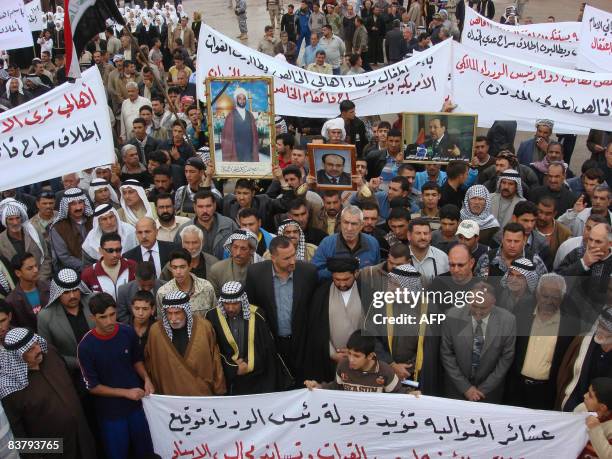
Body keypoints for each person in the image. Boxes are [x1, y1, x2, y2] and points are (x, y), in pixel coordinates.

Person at [0, 328, 96, 459]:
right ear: (16, 357)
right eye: (30, 349)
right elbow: (18, 433)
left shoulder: (50, 354)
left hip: (83, 438)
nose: (38, 350)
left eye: (36, 344)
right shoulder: (10, 388)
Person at [245, 236, 318, 383]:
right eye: (286, 258)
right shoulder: (255, 273)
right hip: (271, 344)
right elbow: (252, 309)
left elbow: (314, 309)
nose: (292, 261)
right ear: (273, 258)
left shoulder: (308, 272)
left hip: (301, 344)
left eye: (293, 255)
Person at [505, 274, 576, 410]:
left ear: (562, 299)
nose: (549, 301)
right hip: (515, 389)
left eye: (555, 297)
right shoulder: (521, 315)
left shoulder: (570, 325)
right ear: (537, 294)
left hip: (546, 394)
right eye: (545, 296)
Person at [207, 281, 290, 394]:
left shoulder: (257, 315)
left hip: (255, 376)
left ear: (242, 300)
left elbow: (266, 347)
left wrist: (247, 364)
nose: (230, 308)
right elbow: (211, 349)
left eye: (235, 303)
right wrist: (233, 368)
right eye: (226, 304)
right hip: (227, 377)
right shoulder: (212, 317)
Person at [440, 281, 516, 403]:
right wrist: (466, 388)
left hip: (489, 393)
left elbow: (506, 358)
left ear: (493, 303)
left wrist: (482, 390)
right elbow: (446, 354)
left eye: (483, 308)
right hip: (456, 390)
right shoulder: (451, 315)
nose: (478, 312)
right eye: (474, 306)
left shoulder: (508, 321)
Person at [145, 290, 225, 396]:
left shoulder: (204, 327)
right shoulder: (155, 332)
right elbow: (149, 363)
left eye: (177, 313)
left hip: (201, 395)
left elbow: (216, 361)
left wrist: (219, 392)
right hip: (169, 397)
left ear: (186, 311)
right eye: (169, 313)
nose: (173, 319)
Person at [303, 257, 364, 382]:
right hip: (329, 360)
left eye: (346, 279)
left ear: (356, 273)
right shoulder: (321, 294)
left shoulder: (368, 292)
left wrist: (357, 352)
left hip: (361, 358)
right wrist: (332, 353)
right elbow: (315, 326)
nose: (342, 284)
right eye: (337, 279)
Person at [304, 330, 419, 394]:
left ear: (370, 356)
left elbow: (397, 392)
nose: (351, 359)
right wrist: (318, 386)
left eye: (356, 356)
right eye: (349, 353)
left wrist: (410, 394)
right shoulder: (343, 366)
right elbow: (337, 387)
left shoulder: (385, 371)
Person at [37, 268, 94, 385]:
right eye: (66, 292)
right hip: (71, 375)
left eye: (75, 290)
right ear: (58, 293)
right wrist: (78, 363)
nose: (72, 296)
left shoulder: (93, 302)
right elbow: (48, 352)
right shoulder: (45, 316)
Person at [558, 307, 612, 412]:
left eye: (606, 329)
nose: (600, 330)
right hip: (571, 405)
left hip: (602, 415)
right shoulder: (583, 342)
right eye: (600, 325)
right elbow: (565, 373)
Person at [312, 206, 381, 279]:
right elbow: (316, 272)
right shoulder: (327, 243)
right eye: (346, 222)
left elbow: (378, 273)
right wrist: (338, 272)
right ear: (340, 222)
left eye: (354, 224)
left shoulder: (373, 243)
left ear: (361, 225)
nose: (349, 228)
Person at [175, 190, 238, 260]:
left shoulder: (229, 225)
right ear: (194, 207)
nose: (205, 211)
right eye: (200, 207)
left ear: (214, 205)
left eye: (208, 206)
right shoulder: (184, 230)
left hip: (224, 270)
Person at [0, 198, 51, 281]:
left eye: (17, 218)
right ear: (5, 221)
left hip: (42, 281)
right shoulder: (1, 241)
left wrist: (41, 279)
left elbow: (46, 257)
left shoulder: (34, 232)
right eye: (11, 219)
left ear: (22, 218)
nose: (15, 222)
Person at [156, 249, 216, 318]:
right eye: (174, 267)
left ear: (190, 266)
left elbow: (214, 316)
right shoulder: (163, 293)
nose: (178, 272)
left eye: (182, 267)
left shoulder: (206, 287)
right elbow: (161, 321)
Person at [81, 232, 137, 300]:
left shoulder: (133, 266)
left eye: (118, 250)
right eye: (110, 250)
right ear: (100, 250)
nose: (115, 255)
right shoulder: (89, 273)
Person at [49, 188, 94, 272]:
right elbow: (64, 257)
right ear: (66, 206)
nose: (78, 207)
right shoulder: (58, 228)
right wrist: (87, 268)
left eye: (80, 202)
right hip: (75, 271)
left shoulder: (93, 220)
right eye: (73, 204)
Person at [5, 252, 50, 331]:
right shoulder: (12, 301)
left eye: (36, 266)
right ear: (18, 273)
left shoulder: (48, 287)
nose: (36, 270)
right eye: (30, 268)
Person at [574, 377, 612, 458]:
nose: (585, 395)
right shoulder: (582, 408)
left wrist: (595, 429)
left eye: (590, 396)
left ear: (602, 407)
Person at [221, 87, 260, 162]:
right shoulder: (230, 116)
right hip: (235, 149)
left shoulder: (250, 115)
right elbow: (226, 136)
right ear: (236, 100)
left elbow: (255, 135)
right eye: (240, 98)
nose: (242, 101)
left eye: (244, 99)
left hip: (249, 150)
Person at [407, 218, 449, 285]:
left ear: (430, 236)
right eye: (418, 233)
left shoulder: (443, 257)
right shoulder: (400, 257)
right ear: (409, 236)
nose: (423, 237)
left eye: (426, 233)